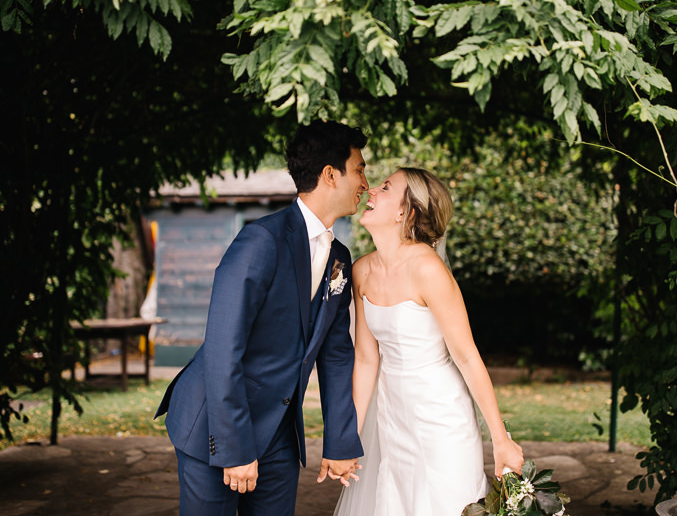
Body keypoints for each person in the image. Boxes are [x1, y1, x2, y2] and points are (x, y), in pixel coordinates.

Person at [155, 120, 369, 516]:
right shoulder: (261, 241)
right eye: (359, 169)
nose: (366, 183)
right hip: (215, 425)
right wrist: (234, 449)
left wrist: (340, 443)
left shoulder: (340, 257)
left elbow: (337, 355)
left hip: (279, 430)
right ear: (329, 175)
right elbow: (223, 349)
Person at [333, 167, 524, 516]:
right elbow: (365, 360)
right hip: (393, 419)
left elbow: (467, 357)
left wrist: (501, 439)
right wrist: (349, 438)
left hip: (442, 419)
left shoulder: (428, 270)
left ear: (406, 211)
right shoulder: (361, 271)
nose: (372, 191)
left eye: (386, 187)